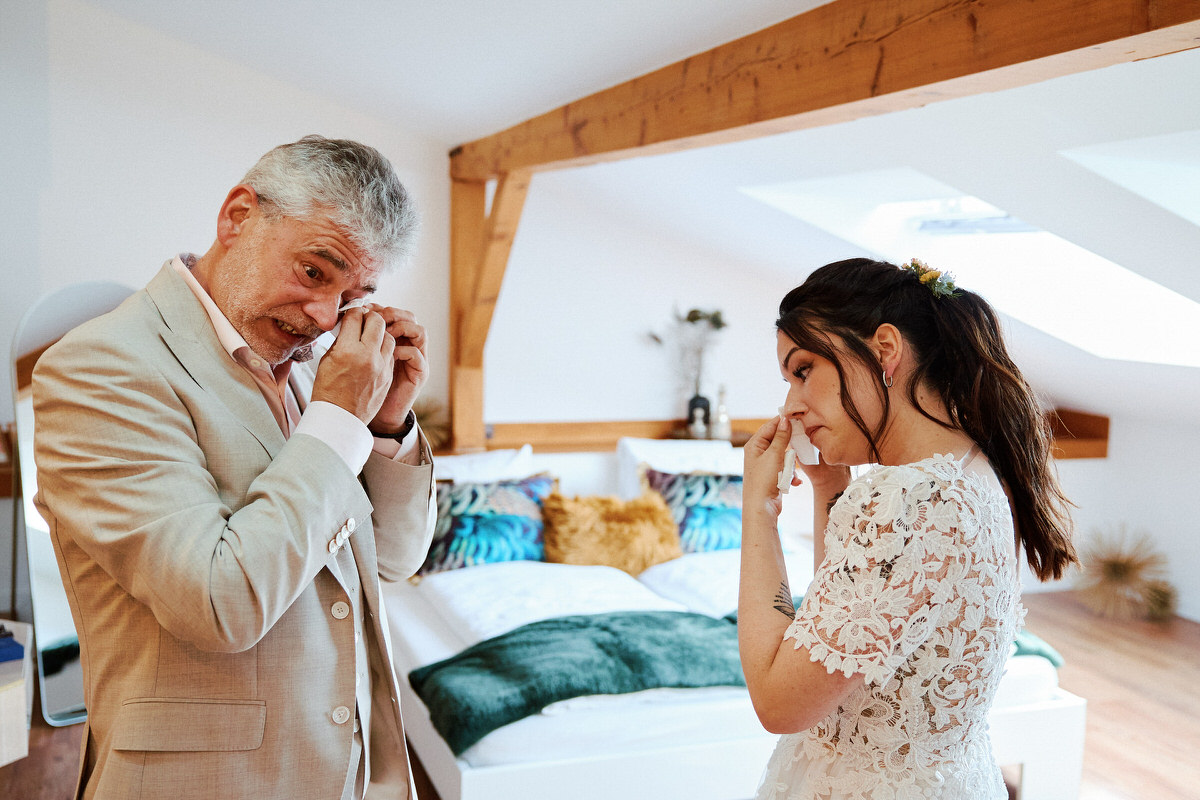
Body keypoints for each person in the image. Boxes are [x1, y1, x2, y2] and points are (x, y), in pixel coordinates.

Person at [33, 135, 437, 800]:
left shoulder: (314, 373)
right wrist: (338, 419)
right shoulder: (100, 367)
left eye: (352, 294)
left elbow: (393, 559)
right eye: (314, 272)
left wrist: (387, 422)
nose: (324, 317)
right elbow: (220, 606)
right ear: (239, 216)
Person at [738, 257, 1076, 799]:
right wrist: (830, 489)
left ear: (884, 350)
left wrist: (758, 509)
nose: (791, 405)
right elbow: (847, 628)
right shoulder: (975, 473)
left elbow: (779, 703)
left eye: (803, 371)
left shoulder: (907, 500)